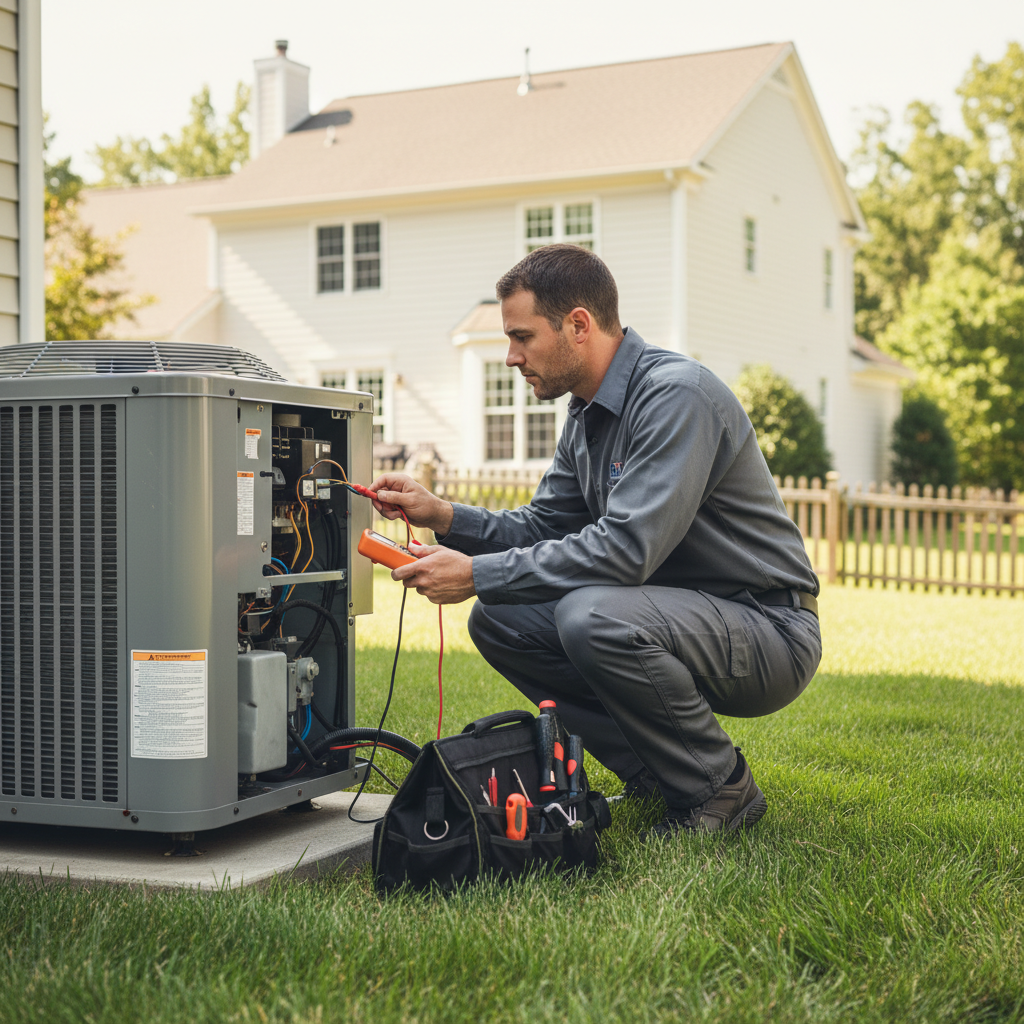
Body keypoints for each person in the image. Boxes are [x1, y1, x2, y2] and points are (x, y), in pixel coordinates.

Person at [369, 243, 821, 839]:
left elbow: (624, 551)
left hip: (766, 630)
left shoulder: (676, 396)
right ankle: (657, 773)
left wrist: (477, 574)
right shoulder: (585, 413)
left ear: (578, 325)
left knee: (591, 615)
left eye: (522, 337)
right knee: (500, 620)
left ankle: (720, 789)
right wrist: (444, 515)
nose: (510, 357)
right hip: (673, 618)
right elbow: (542, 526)